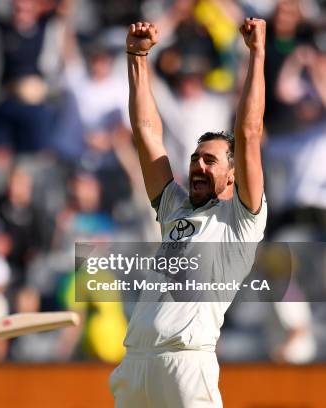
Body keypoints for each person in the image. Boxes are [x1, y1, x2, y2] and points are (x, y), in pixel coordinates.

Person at [109, 19, 267, 407]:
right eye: (196, 158)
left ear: (233, 176)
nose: (199, 166)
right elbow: (146, 132)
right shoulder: (174, 207)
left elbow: (248, 131)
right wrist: (138, 56)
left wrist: (256, 53)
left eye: (210, 161)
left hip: (186, 364)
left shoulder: (241, 220)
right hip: (135, 363)